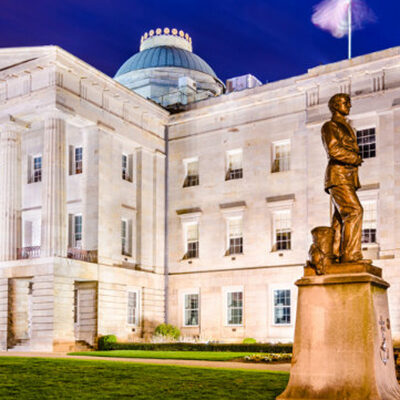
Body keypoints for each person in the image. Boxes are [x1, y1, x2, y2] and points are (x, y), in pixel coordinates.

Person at [321, 93, 371, 264]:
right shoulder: (330, 125)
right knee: (354, 211)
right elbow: (333, 150)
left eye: (349, 103)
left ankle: (334, 254)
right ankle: (351, 255)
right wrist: (354, 158)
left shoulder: (346, 126)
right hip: (338, 175)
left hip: (347, 177)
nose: (349, 106)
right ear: (335, 105)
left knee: (339, 219)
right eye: (345, 103)